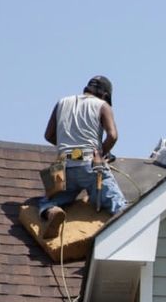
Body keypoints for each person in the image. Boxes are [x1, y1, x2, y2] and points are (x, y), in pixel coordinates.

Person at [39, 75, 127, 239]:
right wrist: (101, 153)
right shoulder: (103, 105)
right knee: (118, 204)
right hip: (89, 162)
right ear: (105, 95)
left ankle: (53, 212)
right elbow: (113, 136)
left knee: (47, 202)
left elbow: (48, 135)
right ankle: (112, 236)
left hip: (63, 166)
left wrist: (69, 149)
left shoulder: (62, 102)